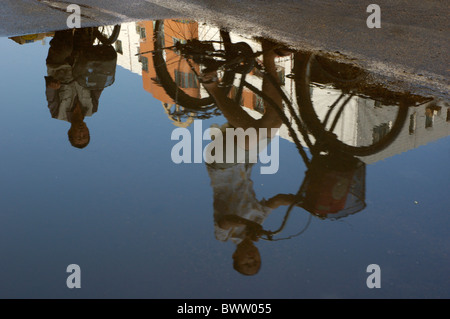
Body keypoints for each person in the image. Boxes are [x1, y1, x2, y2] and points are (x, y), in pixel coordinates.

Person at [201, 39, 298, 275]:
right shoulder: (259, 223)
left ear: (236, 257)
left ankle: (211, 86)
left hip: (220, 165)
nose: (251, 259)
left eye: (246, 263)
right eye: (256, 263)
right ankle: (269, 56)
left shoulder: (225, 236)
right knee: (275, 120)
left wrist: (246, 225)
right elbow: (276, 201)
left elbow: (225, 221)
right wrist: (301, 201)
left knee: (255, 133)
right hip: (245, 158)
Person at [44, 29, 104, 149]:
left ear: (70, 132)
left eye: (78, 136)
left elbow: (50, 92)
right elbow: (98, 89)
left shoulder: (57, 113)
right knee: (84, 37)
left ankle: (64, 22)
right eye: (85, 135)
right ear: (88, 130)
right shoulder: (92, 109)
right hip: (82, 64)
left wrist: (53, 86)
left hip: (59, 66)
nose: (82, 133)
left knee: (65, 47)